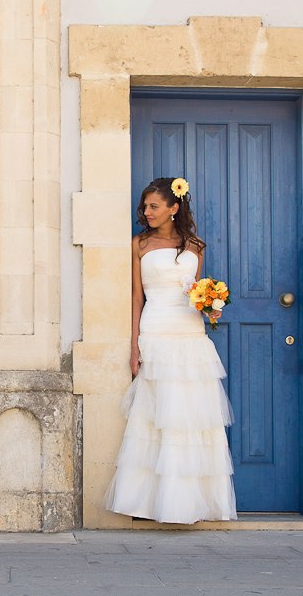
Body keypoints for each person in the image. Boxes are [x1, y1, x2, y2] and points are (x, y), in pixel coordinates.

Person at [105, 177, 237, 523]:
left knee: (191, 414)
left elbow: (196, 291)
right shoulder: (139, 244)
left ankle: (190, 503)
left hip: (190, 331)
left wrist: (210, 308)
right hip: (156, 327)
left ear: (174, 208)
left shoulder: (195, 245)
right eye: (145, 206)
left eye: (154, 207)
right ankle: (147, 504)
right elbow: (137, 297)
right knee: (157, 414)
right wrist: (134, 344)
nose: (147, 212)